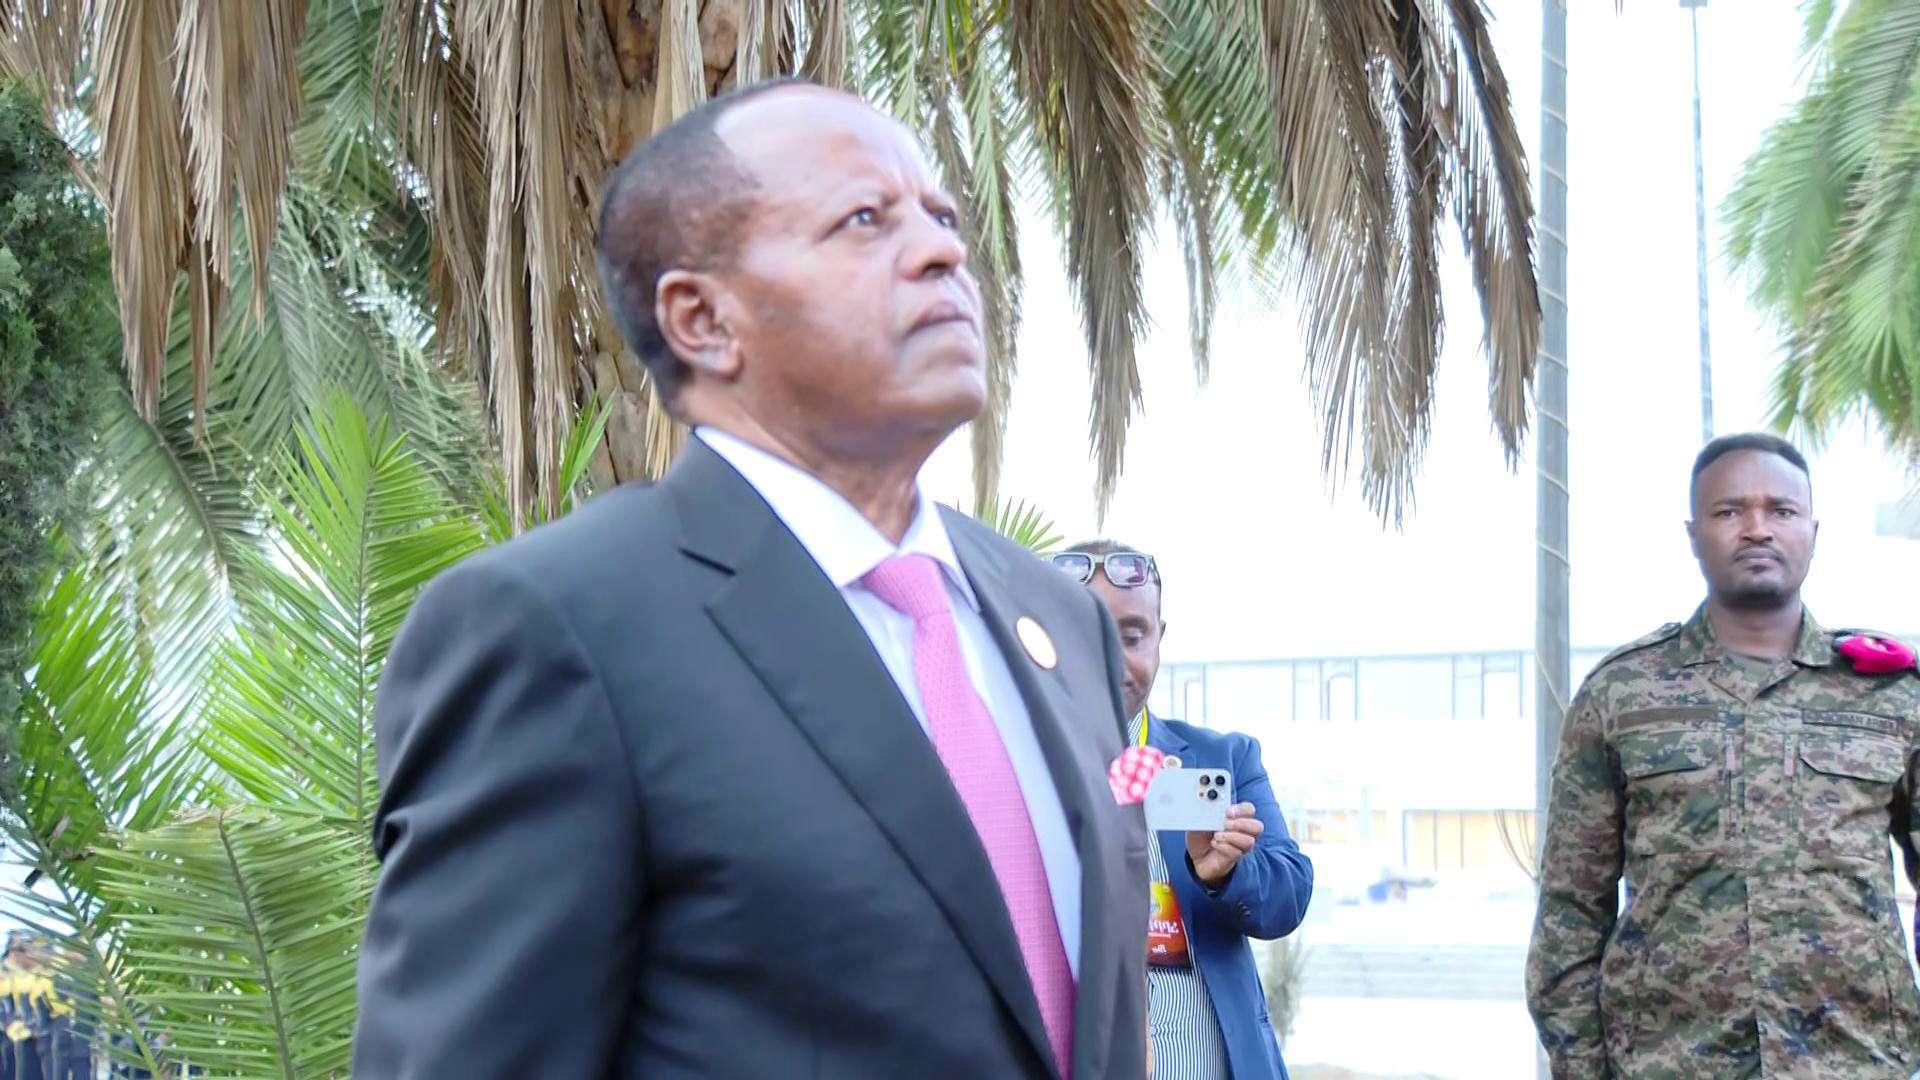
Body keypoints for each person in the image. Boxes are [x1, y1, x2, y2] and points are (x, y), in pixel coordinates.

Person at [351, 78, 1149, 1078]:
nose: (943, 252)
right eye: (865, 221)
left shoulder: (1061, 618)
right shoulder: (558, 630)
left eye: (942, 217)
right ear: (702, 320)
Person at [1527, 432, 1920, 1076]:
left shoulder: (1891, 695)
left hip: (1855, 1061)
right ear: (1694, 534)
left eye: (1781, 511)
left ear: (1813, 531)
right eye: (1729, 511)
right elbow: (1571, 911)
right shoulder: (1623, 694)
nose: (1757, 529)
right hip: (1671, 1062)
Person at [1055, 540, 1313, 1079]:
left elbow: (1288, 896)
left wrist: (1225, 872)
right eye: (1084, 632)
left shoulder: (1223, 758)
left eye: (1132, 636)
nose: (1111, 657)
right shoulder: (1017, 767)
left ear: (1159, 638)